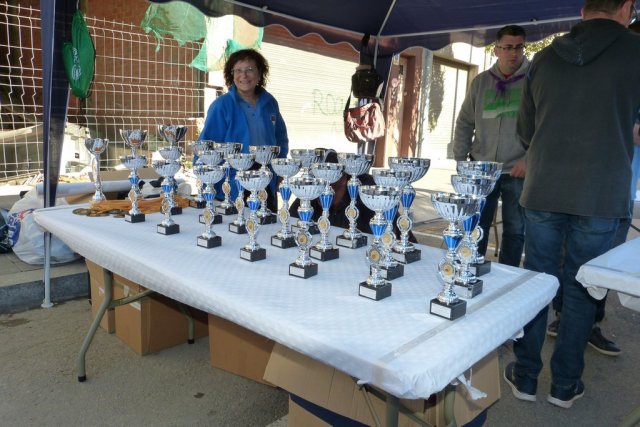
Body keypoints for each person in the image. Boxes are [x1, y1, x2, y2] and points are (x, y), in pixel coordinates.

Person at [504, 0, 640, 409]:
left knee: (538, 281)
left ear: (583, 10)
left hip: (544, 188)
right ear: (626, 8)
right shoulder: (635, 52)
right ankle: (564, 385)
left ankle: (525, 375)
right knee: (583, 290)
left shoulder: (544, 58)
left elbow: (526, 129)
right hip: (601, 192)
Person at [452, 25, 528, 268]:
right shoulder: (481, 82)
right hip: (481, 171)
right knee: (476, 225)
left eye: (519, 47)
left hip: (517, 171)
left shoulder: (534, 81)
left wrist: (529, 159)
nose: (513, 53)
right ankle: (472, 270)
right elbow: (464, 122)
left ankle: (508, 275)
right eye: (508, 47)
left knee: (515, 230)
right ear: (496, 50)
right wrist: (461, 161)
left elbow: (545, 126)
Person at [199, 48, 288, 212]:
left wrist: (280, 168)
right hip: (234, 180)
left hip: (265, 175)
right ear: (231, 75)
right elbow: (206, 145)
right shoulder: (221, 105)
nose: (244, 75)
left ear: (259, 73)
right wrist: (206, 183)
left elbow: (280, 137)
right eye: (238, 70)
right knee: (238, 224)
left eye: (249, 69)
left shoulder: (270, 102)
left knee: (266, 221)